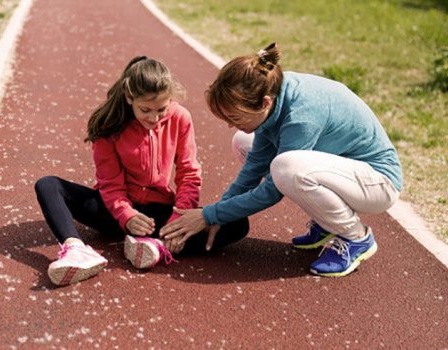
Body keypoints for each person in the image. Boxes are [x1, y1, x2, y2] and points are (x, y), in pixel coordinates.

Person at [160, 43, 403, 277]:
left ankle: (355, 237)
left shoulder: (302, 115)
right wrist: (218, 216)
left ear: (265, 103)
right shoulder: (273, 96)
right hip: (343, 171)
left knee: (286, 168)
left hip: (377, 184)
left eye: (234, 116)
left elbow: (273, 190)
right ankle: (327, 222)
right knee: (243, 142)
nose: (230, 124)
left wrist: (210, 215)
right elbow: (253, 169)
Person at [35, 56, 249, 286]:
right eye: (145, 109)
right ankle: (76, 250)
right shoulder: (109, 126)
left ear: (171, 99)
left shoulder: (180, 118)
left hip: (159, 215)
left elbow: (188, 173)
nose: (154, 118)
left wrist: (179, 219)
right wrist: (126, 216)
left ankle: (156, 246)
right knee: (48, 185)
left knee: (237, 222)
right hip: (114, 212)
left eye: (161, 110)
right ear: (129, 98)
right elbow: (110, 184)